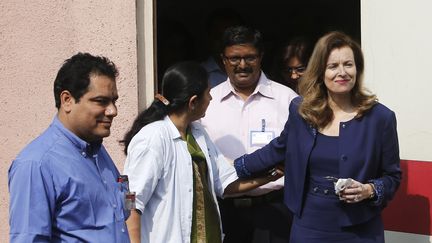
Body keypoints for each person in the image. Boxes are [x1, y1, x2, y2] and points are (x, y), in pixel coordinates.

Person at [234, 31, 402, 243]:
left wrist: (369, 190)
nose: (342, 72)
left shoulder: (380, 118)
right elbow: (277, 149)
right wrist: (234, 169)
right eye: (333, 66)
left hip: (360, 228)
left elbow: (392, 176)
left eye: (348, 64)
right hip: (309, 226)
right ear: (320, 71)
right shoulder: (302, 111)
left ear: (357, 69)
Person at [121, 61, 282, 243]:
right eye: (208, 93)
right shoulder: (154, 138)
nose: (211, 99)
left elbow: (224, 183)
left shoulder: (197, 133)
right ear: (193, 102)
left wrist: (271, 175)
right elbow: (132, 202)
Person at [8, 53, 130, 242]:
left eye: (114, 101)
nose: (113, 111)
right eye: (101, 101)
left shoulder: (98, 153)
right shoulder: (37, 165)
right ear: (67, 100)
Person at [200, 26, 298, 243]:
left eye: (249, 57)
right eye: (235, 58)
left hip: (274, 211)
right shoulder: (207, 103)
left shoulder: (287, 100)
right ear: (223, 60)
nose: (242, 65)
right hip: (223, 212)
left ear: (261, 57)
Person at [201, 8, 244, 88]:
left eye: (231, 38)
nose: (225, 43)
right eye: (218, 36)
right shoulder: (197, 75)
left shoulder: (258, 78)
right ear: (209, 38)